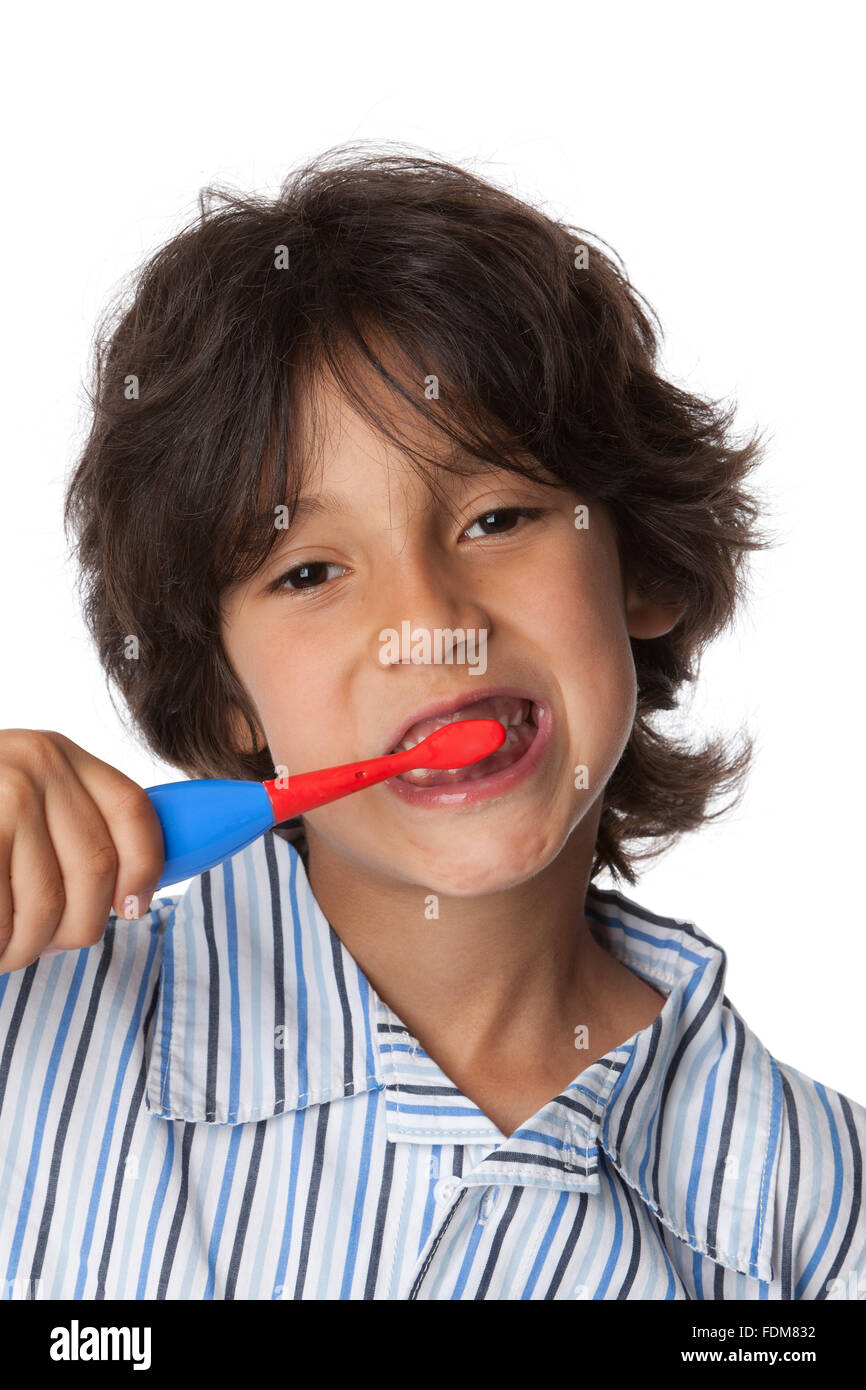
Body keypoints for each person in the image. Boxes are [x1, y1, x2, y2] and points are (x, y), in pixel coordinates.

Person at [1, 145, 863, 1301]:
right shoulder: (29, 1023)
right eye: (307, 573)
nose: (426, 624)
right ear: (226, 696)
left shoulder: (823, 1219)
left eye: (497, 516)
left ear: (639, 565)